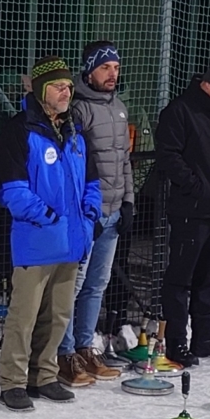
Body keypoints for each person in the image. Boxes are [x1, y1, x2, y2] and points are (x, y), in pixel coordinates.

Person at [0, 58, 103, 408]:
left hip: (71, 240)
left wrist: (89, 215)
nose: (66, 92)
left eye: (68, 86)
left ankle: (43, 375)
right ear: (41, 90)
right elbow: (11, 189)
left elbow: (92, 182)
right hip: (36, 240)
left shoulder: (76, 132)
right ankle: (13, 381)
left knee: (57, 316)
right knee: (23, 317)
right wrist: (48, 216)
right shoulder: (18, 131)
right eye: (58, 86)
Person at [149, 58, 210, 366]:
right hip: (192, 211)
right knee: (181, 279)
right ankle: (177, 341)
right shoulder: (180, 111)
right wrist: (196, 187)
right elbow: (169, 156)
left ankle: (205, 337)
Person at [63, 42, 135, 382]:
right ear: (89, 70)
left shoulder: (119, 108)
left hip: (114, 211)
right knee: (73, 285)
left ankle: (84, 347)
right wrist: (83, 211)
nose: (112, 73)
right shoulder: (77, 109)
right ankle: (64, 353)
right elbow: (74, 166)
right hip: (87, 214)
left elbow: (124, 161)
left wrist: (129, 201)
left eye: (116, 67)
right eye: (105, 67)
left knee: (97, 284)